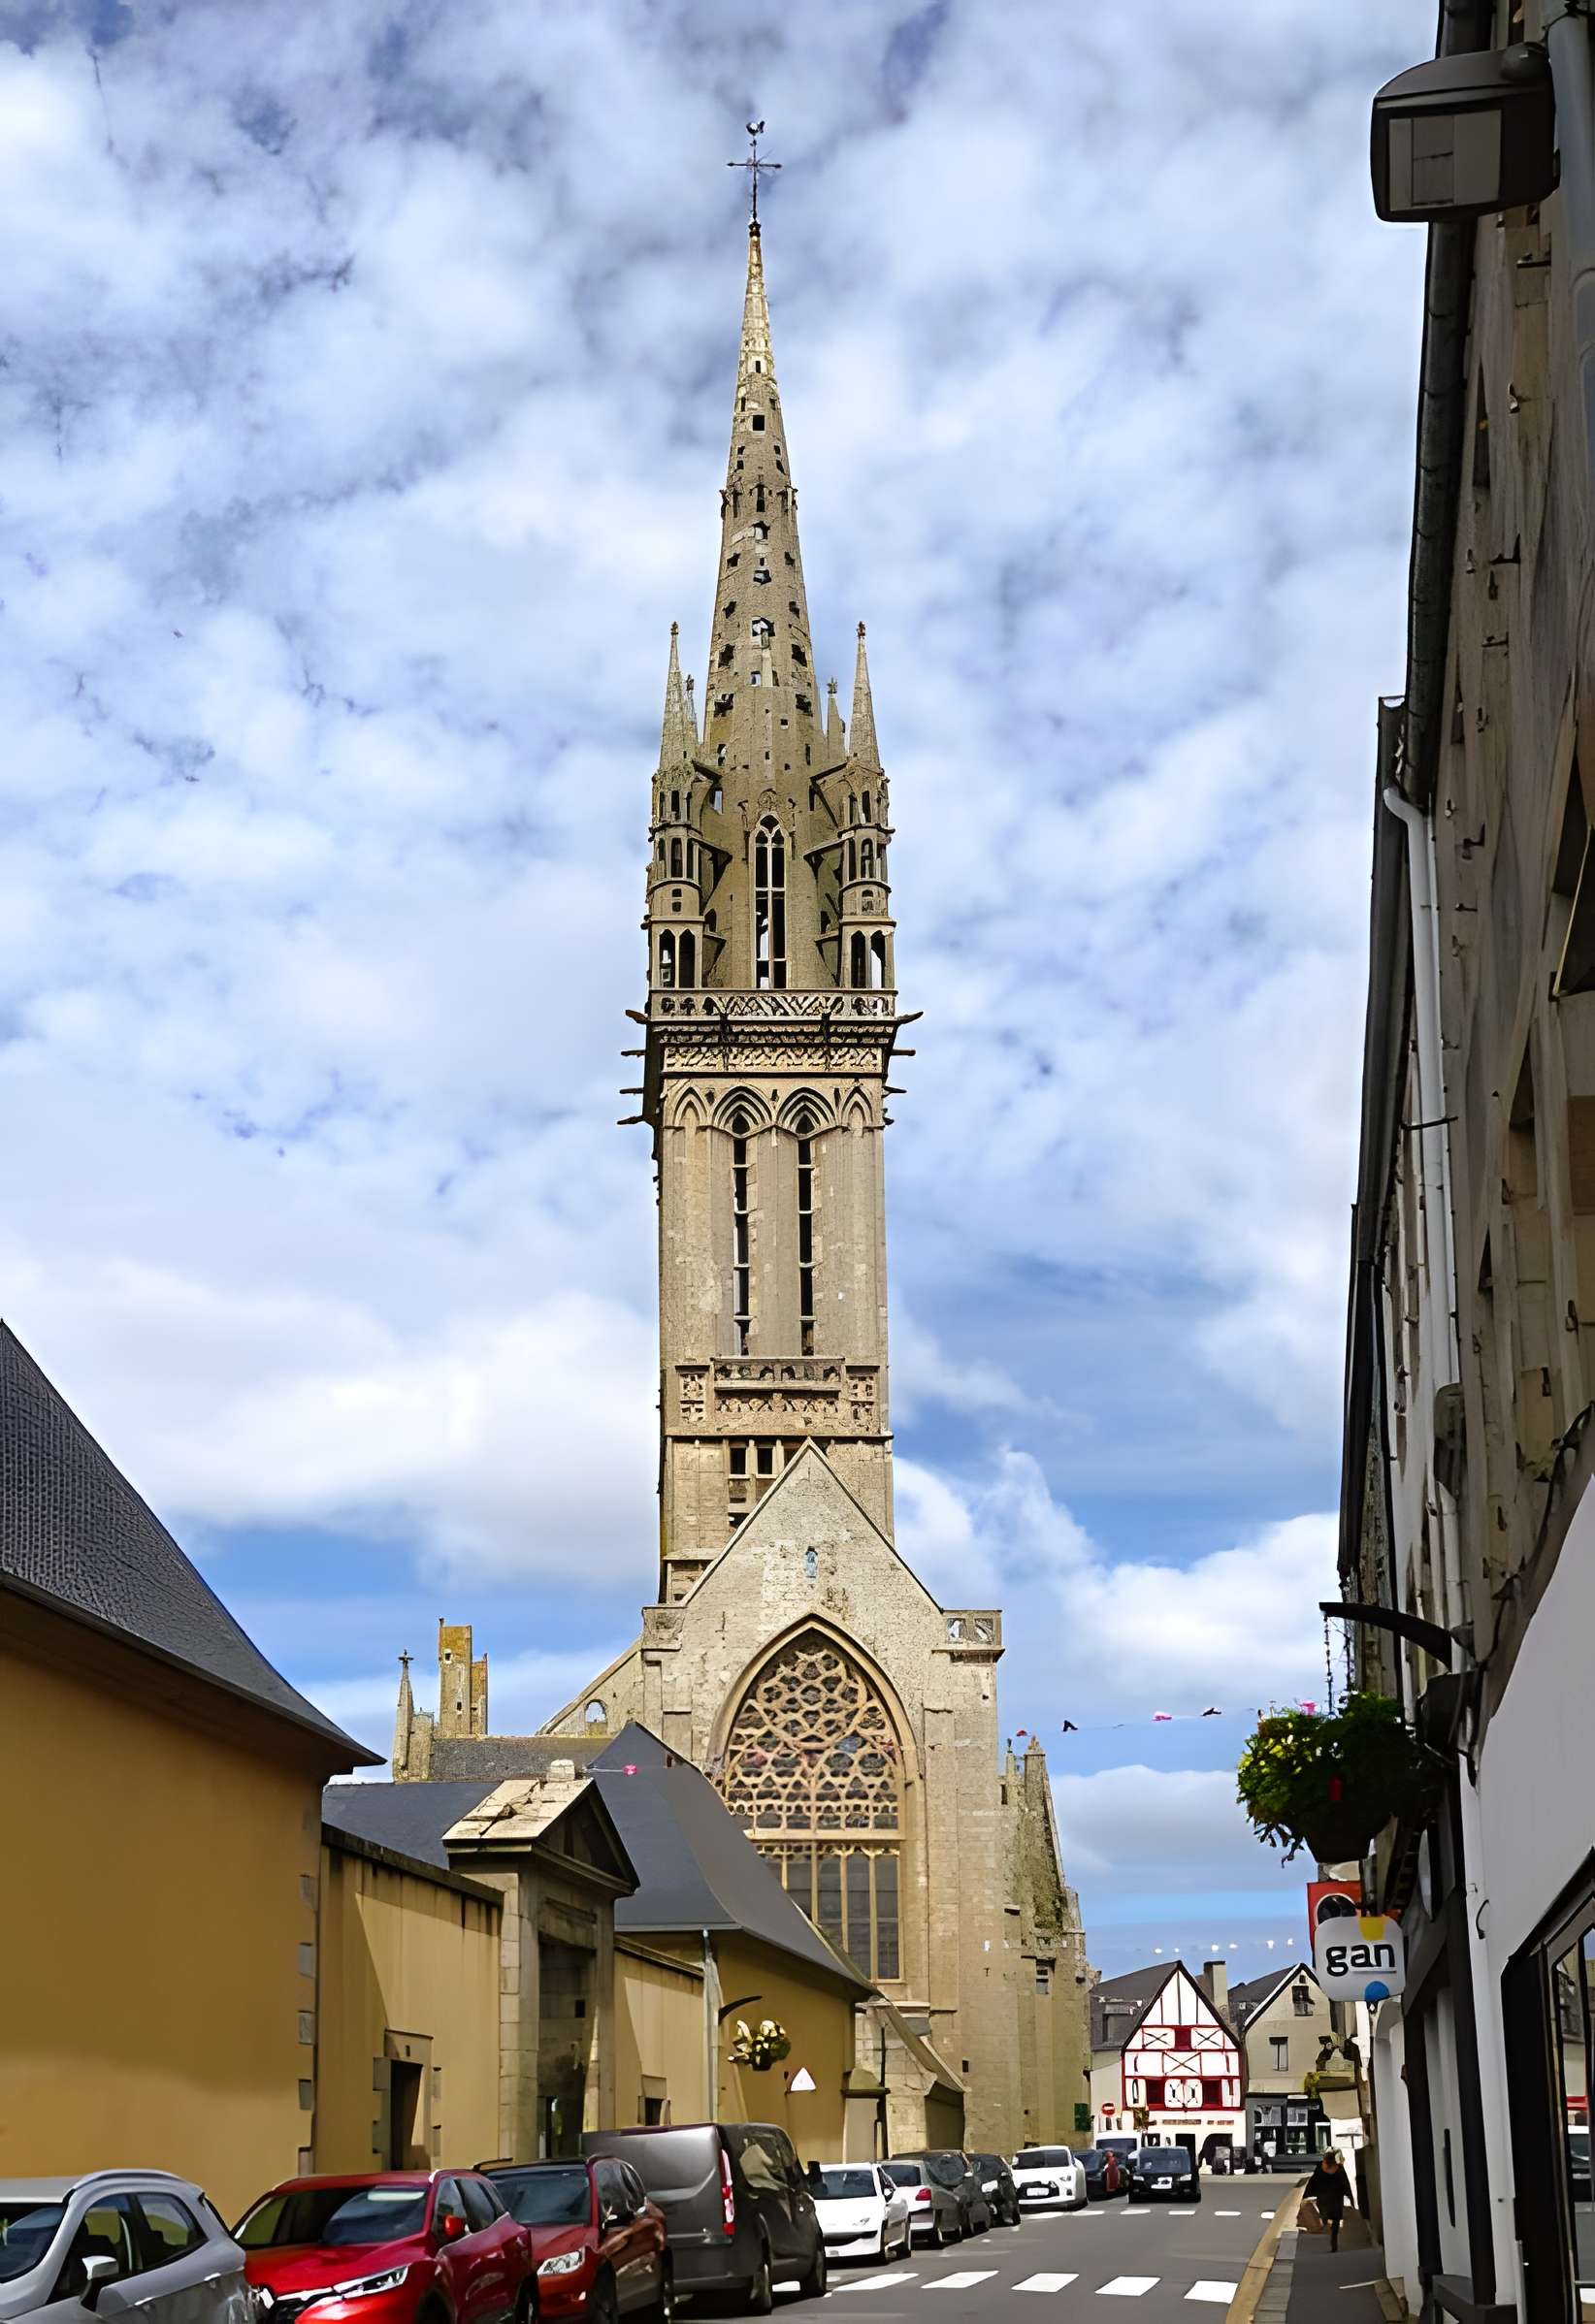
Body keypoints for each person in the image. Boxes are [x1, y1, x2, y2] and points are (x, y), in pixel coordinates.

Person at [1304, 2147, 1351, 2252]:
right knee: (1336, 2220)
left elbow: (1312, 2183)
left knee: (1324, 2214)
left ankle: (1325, 2221)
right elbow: (1345, 2183)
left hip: (1323, 2197)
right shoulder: (1339, 2169)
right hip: (1336, 2199)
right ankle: (1334, 2242)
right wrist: (1349, 2195)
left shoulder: (1320, 2168)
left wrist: (1306, 2195)